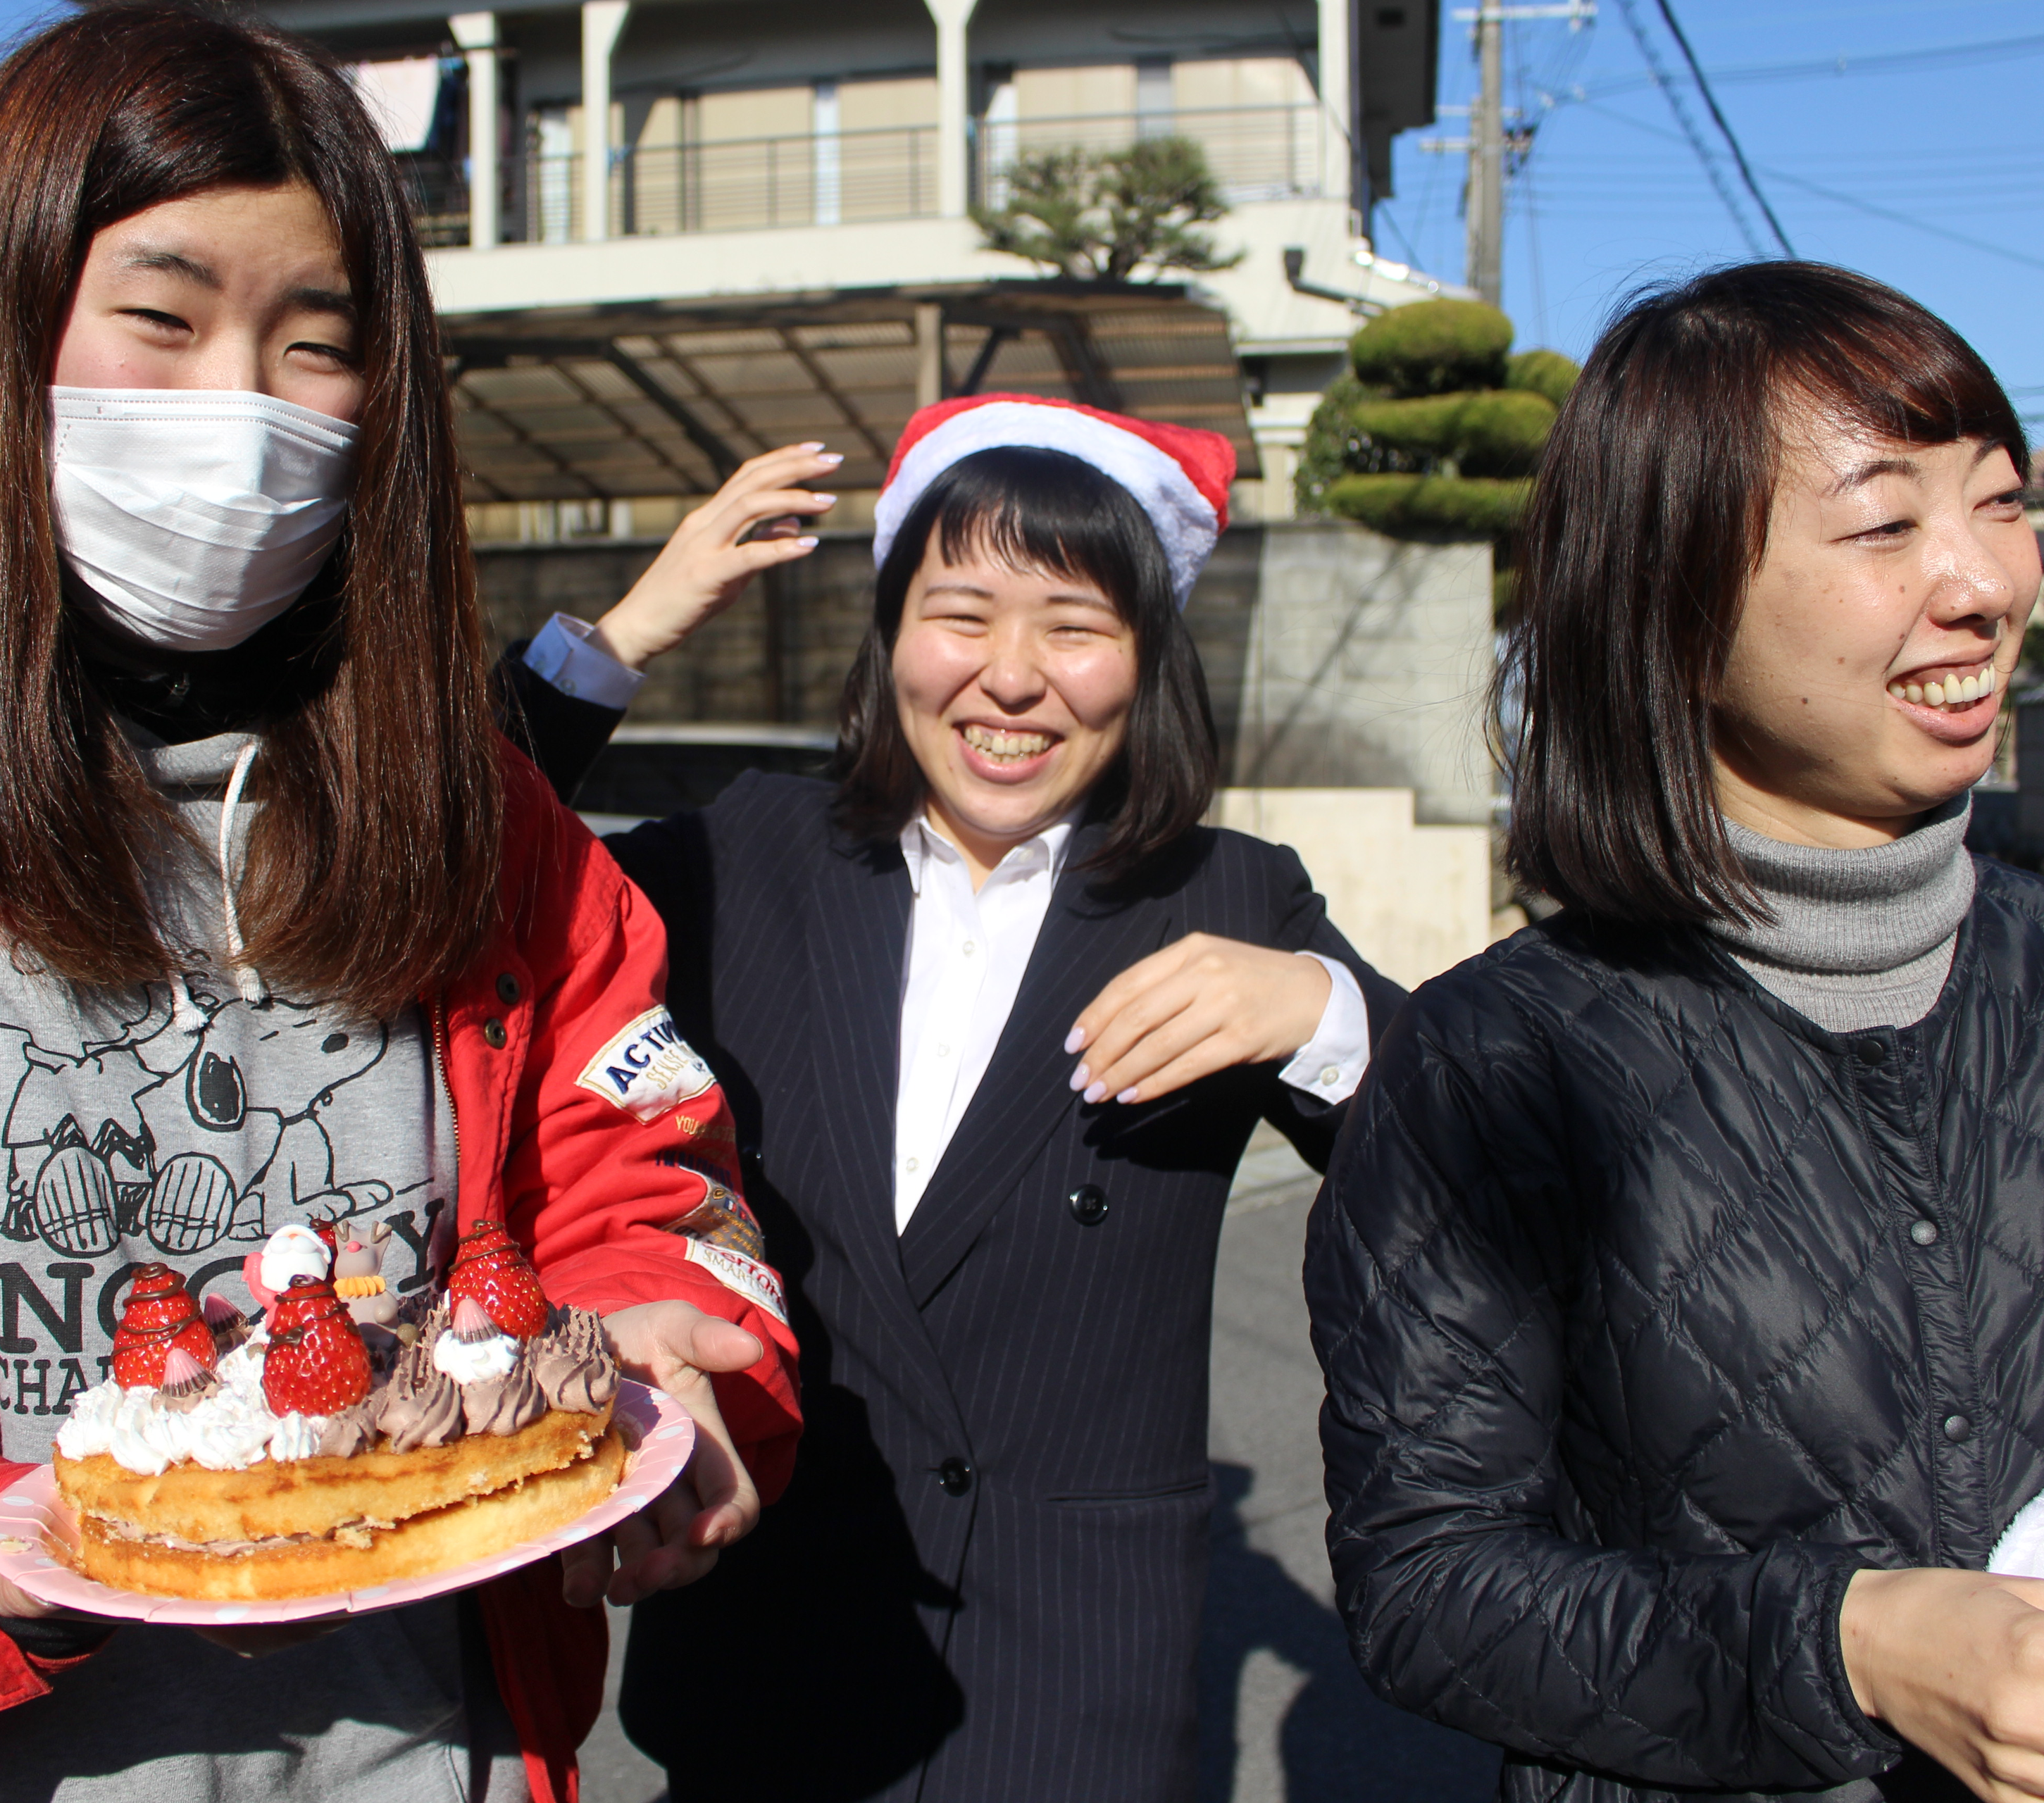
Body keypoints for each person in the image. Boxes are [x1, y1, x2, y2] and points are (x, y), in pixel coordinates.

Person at [0, 10, 797, 1803]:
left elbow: (650, 1169)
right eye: (159, 319)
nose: (234, 408)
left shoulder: (481, 816)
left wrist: (663, 1340)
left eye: (315, 345)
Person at [1305, 261, 2044, 1803]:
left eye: (1997, 501)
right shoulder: (1494, 1060)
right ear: (1673, 594)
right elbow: (1432, 1582)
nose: (1985, 581)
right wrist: (1846, 1641)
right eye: (1886, 522)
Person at [495, 394, 1411, 1802]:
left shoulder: (1233, 895)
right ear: (892, 632)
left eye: (1077, 625)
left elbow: (1478, 1149)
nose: (1012, 677)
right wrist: (612, 642)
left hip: (1079, 1679)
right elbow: (448, 859)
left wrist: (1323, 1012)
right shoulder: (747, 854)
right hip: (766, 1648)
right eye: (963, 612)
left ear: (1148, 659)